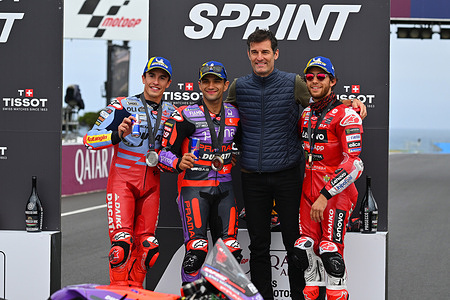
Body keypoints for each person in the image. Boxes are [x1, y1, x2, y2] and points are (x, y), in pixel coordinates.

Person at [225, 29, 367, 300]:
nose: (260, 57)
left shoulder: (294, 82)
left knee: (297, 246)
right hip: (251, 177)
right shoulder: (238, 86)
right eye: (254, 52)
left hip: (289, 176)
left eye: (265, 51)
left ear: (275, 53)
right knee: (258, 247)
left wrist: (351, 102)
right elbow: (221, 116)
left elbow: (321, 104)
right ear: (248, 54)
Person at [83, 57, 177, 288]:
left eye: (162, 77)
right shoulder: (121, 106)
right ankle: (118, 291)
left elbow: (178, 149)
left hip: (152, 186)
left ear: (168, 82)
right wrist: (117, 135)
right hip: (122, 183)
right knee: (121, 245)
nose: (156, 81)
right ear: (143, 78)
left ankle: (134, 291)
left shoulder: (173, 113)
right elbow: (89, 140)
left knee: (149, 248)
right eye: (152, 76)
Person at [158, 61, 242, 284]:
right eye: (206, 81)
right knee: (195, 254)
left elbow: (246, 145)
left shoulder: (235, 114)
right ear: (199, 85)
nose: (211, 86)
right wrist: (177, 162)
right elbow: (162, 153)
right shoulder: (184, 114)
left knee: (230, 254)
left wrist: (233, 154)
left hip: (225, 189)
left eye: (216, 81)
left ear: (225, 85)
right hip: (193, 190)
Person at [293, 56, 364, 300]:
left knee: (330, 253)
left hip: (335, 195)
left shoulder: (347, 115)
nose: (314, 81)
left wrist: (325, 195)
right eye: (310, 77)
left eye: (320, 76)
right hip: (308, 191)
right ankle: (312, 287)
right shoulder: (305, 115)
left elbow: (355, 164)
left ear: (332, 81)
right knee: (303, 251)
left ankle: (337, 291)